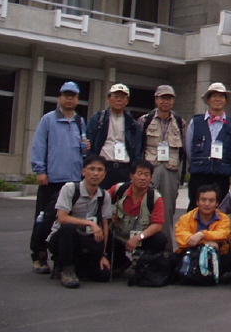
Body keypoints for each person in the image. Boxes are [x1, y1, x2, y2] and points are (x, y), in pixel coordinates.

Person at [29, 80, 87, 274]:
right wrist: (40, 170)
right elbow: (39, 145)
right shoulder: (48, 119)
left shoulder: (80, 122)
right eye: (66, 95)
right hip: (52, 180)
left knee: (67, 221)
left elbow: (82, 150)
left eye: (73, 96)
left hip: (73, 181)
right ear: (60, 97)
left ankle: (61, 257)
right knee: (44, 219)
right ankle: (39, 255)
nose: (69, 99)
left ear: (77, 99)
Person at [47, 155, 113, 288]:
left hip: (86, 238)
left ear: (104, 174)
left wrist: (102, 254)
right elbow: (62, 218)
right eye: (92, 169)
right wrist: (90, 223)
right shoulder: (70, 188)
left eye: (100, 170)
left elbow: (105, 224)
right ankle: (67, 269)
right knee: (69, 228)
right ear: (83, 172)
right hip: (62, 238)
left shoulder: (104, 195)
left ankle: (77, 267)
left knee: (103, 275)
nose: (95, 173)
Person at [137, 84, 186, 250]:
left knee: (167, 209)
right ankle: (143, 248)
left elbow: (184, 150)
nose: (166, 101)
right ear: (156, 100)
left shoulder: (180, 122)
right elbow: (139, 147)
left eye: (169, 98)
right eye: (163, 98)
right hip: (150, 169)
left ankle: (165, 249)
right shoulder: (145, 120)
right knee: (145, 208)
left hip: (171, 169)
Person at [107, 159, 167, 273]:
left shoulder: (155, 198)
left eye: (146, 175)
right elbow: (102, 201)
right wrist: (110, 214)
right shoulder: (119, 189)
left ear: (151, 178)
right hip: (117, 237)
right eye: (139, 174)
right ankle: (121, 262)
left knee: (160, 239)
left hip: (141, 238)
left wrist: (139, 237)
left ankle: (144, 263)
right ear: (131, 175)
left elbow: (157, 225)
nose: (143, 178)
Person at [186, 82, 231, 210]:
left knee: (220, 209)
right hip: (199, 173)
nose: (217, 99)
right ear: (208, 100)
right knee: (195, 207)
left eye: (221, 96)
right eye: (214, 96)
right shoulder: (196, 122)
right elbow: (188, 147)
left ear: (226, 101)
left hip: (221, 175)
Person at [87, 83, 141, 189]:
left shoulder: (132, 123)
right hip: (103, 166)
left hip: (124, 168)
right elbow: (89, 143)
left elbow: (137, 150)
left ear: (127, 101)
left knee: (122, 197)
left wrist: (134, 169)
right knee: (100, 196)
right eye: (115, 96)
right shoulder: (98, 119)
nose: (119, 100)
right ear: (108, 98)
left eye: (123, 97)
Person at [174, 183, 231, 276]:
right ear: (197, 202)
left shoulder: (224, 218)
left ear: (217, 203)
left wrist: (202, 234)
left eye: (211, 201)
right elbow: (181, 238)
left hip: (216, 256)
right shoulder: (186, 218)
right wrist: (206, 244)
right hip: (191, 253)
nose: (207, 204)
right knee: (172, 259)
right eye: (203, 200)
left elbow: (223, 234)